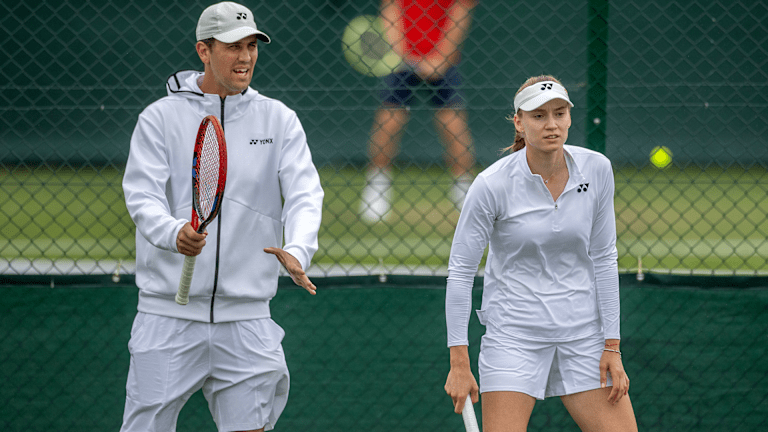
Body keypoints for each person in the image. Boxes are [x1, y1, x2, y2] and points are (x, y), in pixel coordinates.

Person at [120, 2, 324, 431]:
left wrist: (298, 249)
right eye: (233, 46)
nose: (246, 57)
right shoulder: (159, 117)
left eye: (252, 45)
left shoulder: (279, 118)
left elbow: (306, 192)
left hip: (248, 318)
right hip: (166, 317)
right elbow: (141, 195)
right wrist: (173, 232)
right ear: (203, 51)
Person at [443, 75, 638, 431]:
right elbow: (460, 272)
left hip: (584, 337)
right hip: (513, 336)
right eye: (538, 116)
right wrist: (459, 362)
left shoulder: (597, 169)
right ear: (519, 121)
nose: (551, 124)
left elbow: (605, 258)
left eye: (559, 113)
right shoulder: (491, 184)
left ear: (569, 117)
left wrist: (612, 345)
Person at [360, 0, 477, 222]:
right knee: (389, 119)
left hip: (443, 60)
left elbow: (461, 12)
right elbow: (390, 9)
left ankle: (466, 193)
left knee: (452, 123)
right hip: (401, 60)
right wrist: (401, 53)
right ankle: (377, 187)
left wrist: (440, 59)